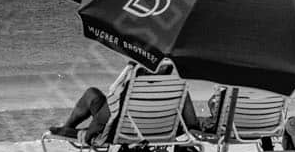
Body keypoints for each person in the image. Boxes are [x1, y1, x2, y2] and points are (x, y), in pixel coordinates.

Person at [49, 60, 199, 147]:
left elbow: (101, 123)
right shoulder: (177, 88)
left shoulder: (129, 91)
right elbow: (192, 124)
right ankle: (66, 128)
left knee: (91, 94)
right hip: (159, 132)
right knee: (93, 94)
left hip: (122, 134)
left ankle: (66, 129)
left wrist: (89, 133)